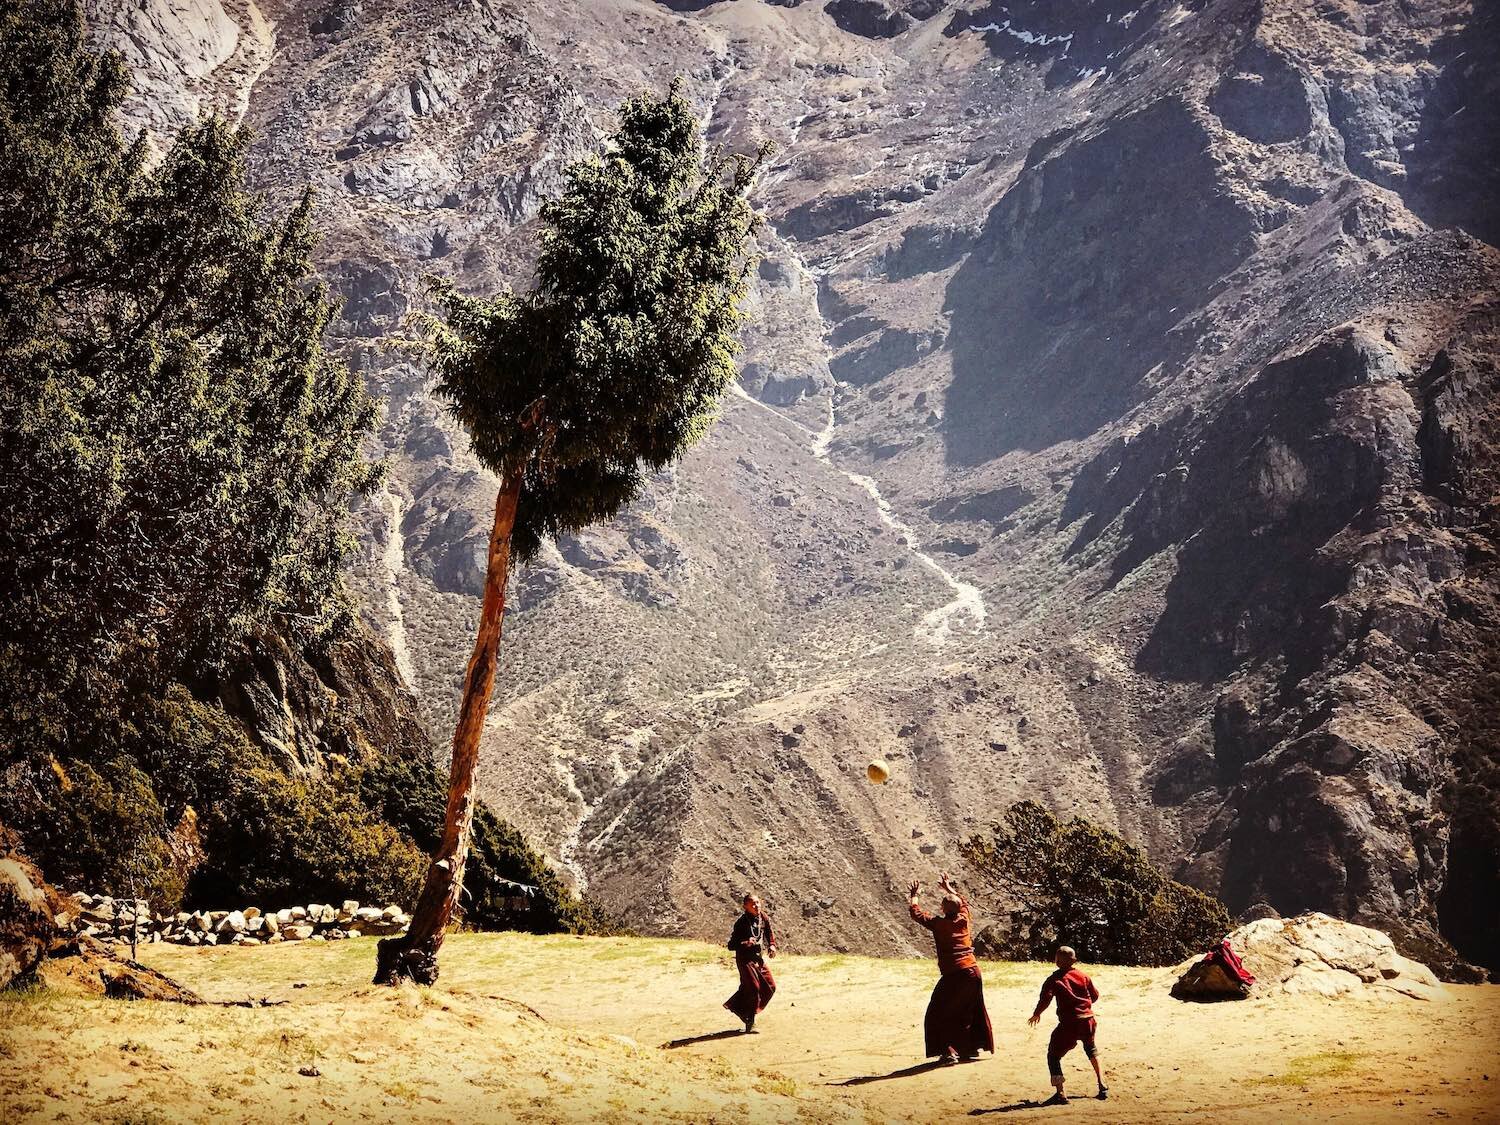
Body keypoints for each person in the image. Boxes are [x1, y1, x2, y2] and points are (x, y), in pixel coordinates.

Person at [908, 872, 994, 1066]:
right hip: (973, 971)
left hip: (954, 973)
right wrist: (948, 888)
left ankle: (949, 1052)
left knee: (938, 1012)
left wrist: (915, 895)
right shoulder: (964, 919)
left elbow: (916, 913)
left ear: (942, 909)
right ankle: (969, 1047)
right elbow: (963, 902)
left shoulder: (938, 924)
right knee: (968, 1009)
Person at [1028, 945, 1107, 1104]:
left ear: (1056, 961)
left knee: (1053, 1055)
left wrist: (1037, 1013)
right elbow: (1095, 996)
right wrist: (1084, 1004)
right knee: (1091, 1049)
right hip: (1088, 1020)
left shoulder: (1054, 979)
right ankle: (1102, 1084)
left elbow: (1046, 998)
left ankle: (1061, 1093)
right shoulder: (1083, 976)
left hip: (1069, 1023)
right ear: (1074, 960)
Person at [724, 893, 776, 1033]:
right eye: (752, 904)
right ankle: (750, 1021)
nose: (756, 906)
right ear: (745, 906)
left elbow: (769, 933)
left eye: (758, 902)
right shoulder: (741, 923)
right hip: (745, 959)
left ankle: (736, 1006)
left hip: (758, 958)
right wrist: (746, 943)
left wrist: (771, 945)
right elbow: (731, 945)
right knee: (753, 988)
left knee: (770, 985)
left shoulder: (763, 917)